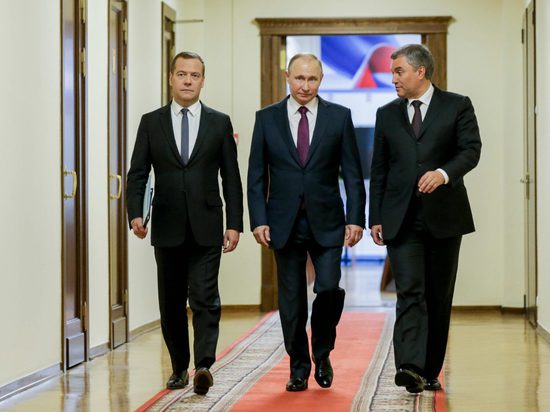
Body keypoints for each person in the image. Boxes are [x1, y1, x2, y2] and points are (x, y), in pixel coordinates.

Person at [126, 51, 243, 395]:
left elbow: (231, 177)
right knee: (171, 302)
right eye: (182, 74)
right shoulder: (152, 122)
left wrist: (234, 223)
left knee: (205, 297)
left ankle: (204, 365)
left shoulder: (219, 122)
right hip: (167, 226)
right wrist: (135, 213)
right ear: (171, 78)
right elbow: (137, 173)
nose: (188, 80)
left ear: (203, 80)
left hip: (207, 224)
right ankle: (179, 367)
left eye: (194, 75)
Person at [247, 53, 366, 392]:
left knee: (328, 287)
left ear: (321, 80)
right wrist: (258, 220)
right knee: (292, 300)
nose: (305, 85)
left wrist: (356, 218)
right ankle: (298, 367)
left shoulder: (339, 117)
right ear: (287, 76)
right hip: (282, 222)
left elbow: (353, 174)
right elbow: (256, 175)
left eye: (312, 79)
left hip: (328, 221)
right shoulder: (266, 118)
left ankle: (322, 352)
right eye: (299, 78)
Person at [369, 44, 481, 393]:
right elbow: (379, 168)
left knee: (437, 295)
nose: (393, 78)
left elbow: (471, 150)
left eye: (398, 71)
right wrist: (376, 217)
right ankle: (409, 366)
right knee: (409, 291)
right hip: (400, 220)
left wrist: (443, 174)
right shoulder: (387, 114)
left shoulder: (457, 105)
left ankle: (430, 370)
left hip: (445, 217)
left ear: (420, 71)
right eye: (392, 72)